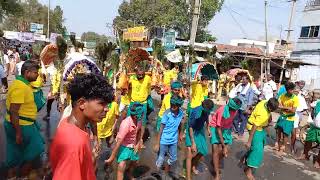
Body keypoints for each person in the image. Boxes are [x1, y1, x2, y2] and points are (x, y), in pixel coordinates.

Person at [49, 73, 114, 180]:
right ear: (82, 103)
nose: (106, 109)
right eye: (102, 103)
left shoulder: (69, 123)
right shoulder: (74, 144)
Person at [4, 61, 44, 179]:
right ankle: (23, 176)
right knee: (36, 149)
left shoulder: (22, 83)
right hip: (22, 125)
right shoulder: (20, 87)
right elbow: (14, 111)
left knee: (14, 152)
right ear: (27, 72)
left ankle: (11, 176)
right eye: (35, 73)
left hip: (19, 123)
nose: (37, 75)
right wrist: (18, 132)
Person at [105, 103, 144, 180]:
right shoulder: (126, 124)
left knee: (134, 162)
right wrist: (112, 157)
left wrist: (139, 142)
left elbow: (139, 130)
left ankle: (129, 174)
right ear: (136, 115)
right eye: (142, 114)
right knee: (121, 165)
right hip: (124, 145)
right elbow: (119, 142)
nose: (143, 115)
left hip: (133, 144)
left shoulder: (139, 120)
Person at [243, 98, 279, 180]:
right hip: (254, 128)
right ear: (269, 107)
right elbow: (254, 127)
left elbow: (269, 113)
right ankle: (248, 171)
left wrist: (269, 120)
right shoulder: (263, 114)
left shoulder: (264, 102)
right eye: (272, 110)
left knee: (261, 144)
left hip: (260, 127)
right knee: (257, 151)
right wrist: (249, 141)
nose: (272, 112)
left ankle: (246, 157)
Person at [208, 98, 242, 180]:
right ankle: (217, 174)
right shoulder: (221, 111)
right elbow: (218, 129)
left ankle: (215, 162)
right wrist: (223, 145)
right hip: (216, 128)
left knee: (224, 152)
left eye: (236, 110)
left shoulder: (235, 110)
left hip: (226, 129)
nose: (234, 111)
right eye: (233, 109)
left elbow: (231, 121)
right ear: (230, 106)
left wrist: (225, 146)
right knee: (216, 150)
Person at [154, 95, 185, 173]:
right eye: (171, 105)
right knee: (161, 157)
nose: (172, 107)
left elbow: (181, 123)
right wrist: (157, 143)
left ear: (178, 106)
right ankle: (157, 173)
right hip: (164, 139)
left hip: (173, 140)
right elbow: (161, 128)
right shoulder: (167, 113)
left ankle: (166, 170)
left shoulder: (181, 113)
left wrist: (181, 133)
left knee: (173, 158)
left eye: (174, 106)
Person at [185, 99, 214, 180]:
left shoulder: (207, 111)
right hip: (192, 130)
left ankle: (193, 165)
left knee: (203, 151)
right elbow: (190, 127)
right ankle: (188, 177)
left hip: (200, 130)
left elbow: (207, 118)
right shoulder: (195, 112)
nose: (207, 111)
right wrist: (193, 143)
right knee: (190, 153)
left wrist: (208, 128)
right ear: (202, 106)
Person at [128, 68, 153, 147]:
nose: (141, 76)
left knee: (142, 122)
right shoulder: (132, 78)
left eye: (143, 74)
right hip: (133, 102)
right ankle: (129, 139)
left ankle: (140, 140)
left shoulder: (148, 78)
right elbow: (127, 86)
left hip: (143, 103)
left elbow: (151, 86)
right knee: (130, 121)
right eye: (139, 75)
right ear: (135, 73)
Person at [275, 82, 299, 154]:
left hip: (290, 119)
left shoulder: (295, 98)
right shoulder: (282, 96)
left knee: (286, 134)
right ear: (287, 89)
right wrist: (288, 108)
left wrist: (284, 107)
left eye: (293, 89)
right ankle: (277, 145)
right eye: (291, 90)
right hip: (282, 116)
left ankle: (283, 148)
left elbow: (293, 110)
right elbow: (278, 106)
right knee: (278, 131)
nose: (292, 91)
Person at [298, 99, 320, 168]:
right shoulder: (317, 102)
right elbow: (311, 106)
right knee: (308, 140)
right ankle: (305, 155)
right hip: (314, 126)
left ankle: (318, 161)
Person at [291, 86, 308, 153]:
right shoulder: (290, 96)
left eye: (297, 91)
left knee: (293, 132)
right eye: (294, 90)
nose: (296, 92)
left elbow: (305, 108)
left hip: (296, 116)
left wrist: (298, 111)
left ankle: (292, 146)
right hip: (287, 115)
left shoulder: (301, 98)